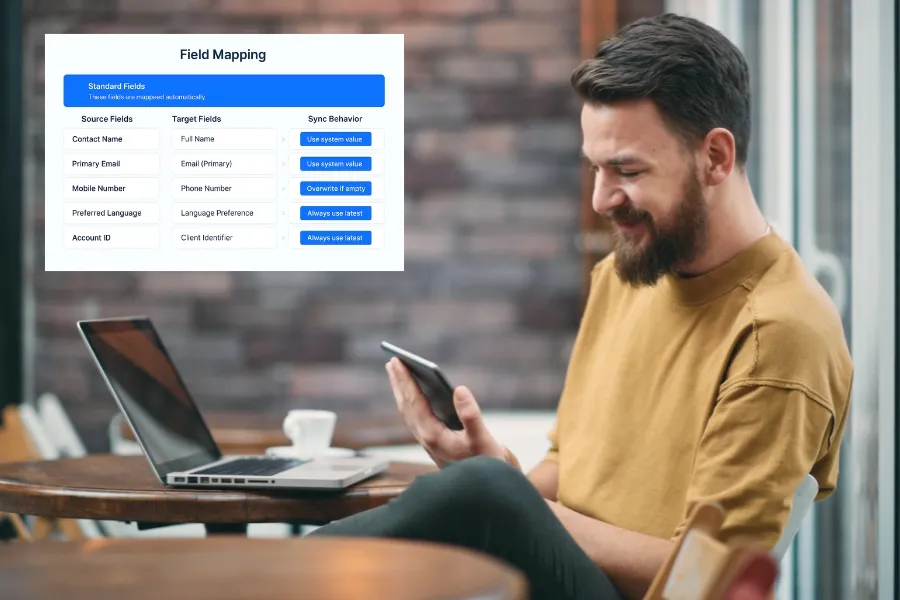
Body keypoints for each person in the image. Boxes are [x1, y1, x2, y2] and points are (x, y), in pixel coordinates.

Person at [309, 13, 853, 600]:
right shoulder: (625, 276)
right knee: (474, 495)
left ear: (716, 157)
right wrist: (495, 470)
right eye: (595, 167)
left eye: (627, 170)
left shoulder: (780, 334)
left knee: (479, 494)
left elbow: (704, 579)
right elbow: (568, 468)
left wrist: (504, 499)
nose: (600, 198)